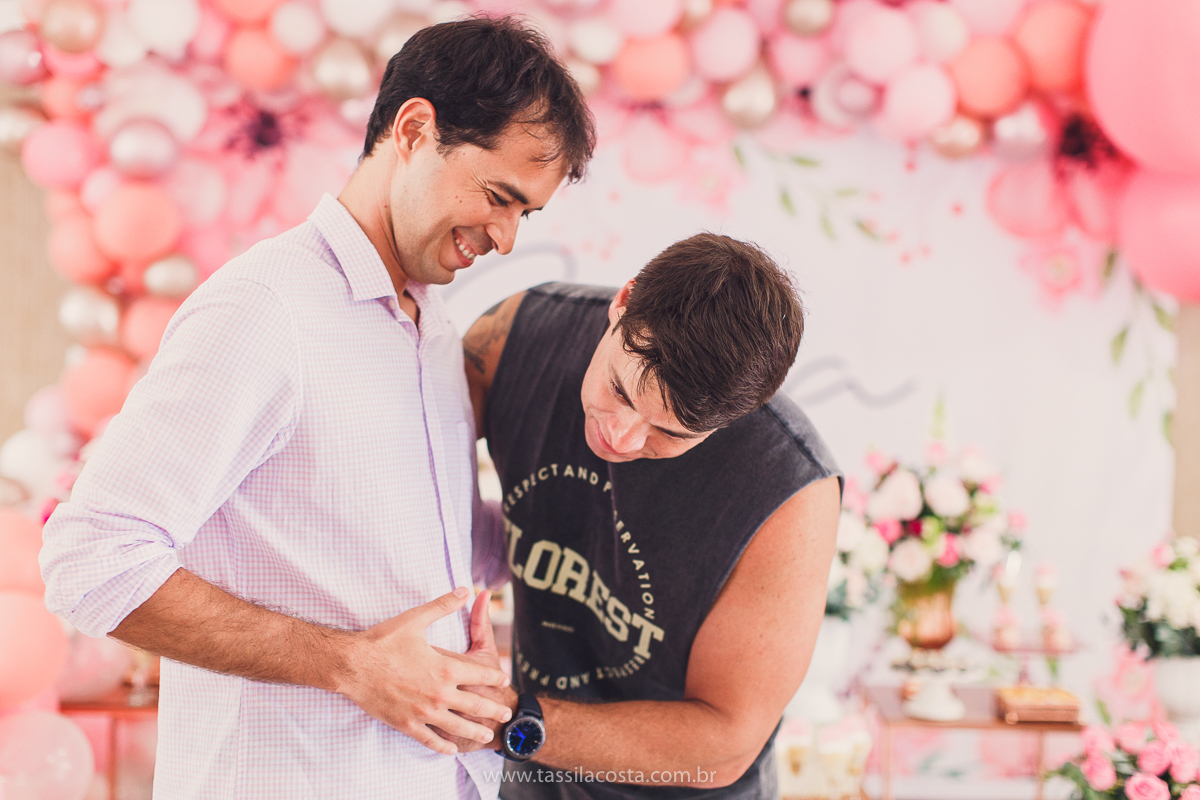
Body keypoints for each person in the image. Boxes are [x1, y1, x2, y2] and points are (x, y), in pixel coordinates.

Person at [39, 17, 594, 800]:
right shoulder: (265, 309)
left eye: (524, 215)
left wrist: (606, 512)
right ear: (414, 129)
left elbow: (401, 538)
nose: (504, 238)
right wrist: (349, 665)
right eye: (499, 196)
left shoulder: (428, 323)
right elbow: (89, 559)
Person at [461, 233, 843, 799]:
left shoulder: (791, 492)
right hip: (527, 773)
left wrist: (509, 721)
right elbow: (404, 477)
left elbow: (725, 742)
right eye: (620, 388)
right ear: (625, 302)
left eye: (668, 433)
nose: (619, 435)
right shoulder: (514, 338)